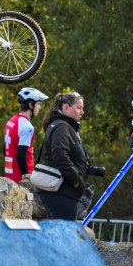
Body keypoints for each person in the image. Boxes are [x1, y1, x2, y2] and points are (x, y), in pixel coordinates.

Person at [34, 92, 90, 220]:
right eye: (79, 108)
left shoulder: (59, 125)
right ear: (66, 107)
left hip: (61, 192)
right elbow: (60, 157)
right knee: (63, 235)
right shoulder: (62, 127)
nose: (82, 112)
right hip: (62, 192)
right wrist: (77, 182)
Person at [4, 87, 49, 182]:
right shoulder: (27, 127)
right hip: (20, 179)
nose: (40, 108)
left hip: (10, 175)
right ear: (31, 104)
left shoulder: (11, 121)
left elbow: (5, 149)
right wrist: (26, 175)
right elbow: (21, 155)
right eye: (38, 104)